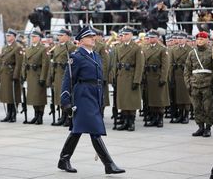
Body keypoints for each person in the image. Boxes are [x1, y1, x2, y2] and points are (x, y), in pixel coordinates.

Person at [58, 26, 125, 174]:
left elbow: (98, 79)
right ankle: (109, 164)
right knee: (94, 129)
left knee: (78, 129)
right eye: (90, 37)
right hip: (83, 96)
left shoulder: (95, 56)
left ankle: (64, 159)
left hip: (94, 95)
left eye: (94, 36)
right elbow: (68, 79)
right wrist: (65, 100)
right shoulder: (76, 57)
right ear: (81, 41)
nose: (93, 38)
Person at [184, 31, 213, 137]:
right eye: (198, 39)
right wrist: (188, 84)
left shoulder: (212, 52)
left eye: (202, 39)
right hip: (195, 84)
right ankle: (200, 127)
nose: (199, 41)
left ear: (207, 40)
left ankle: (208, 128)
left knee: (208, 107)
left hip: (208, 85)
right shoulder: (192, 53)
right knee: (197, 107)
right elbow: (187, 70)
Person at [113, 27, 145, 131]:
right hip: (121, 76)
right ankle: (125, 121)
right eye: (123, 34)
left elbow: (139, 66)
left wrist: (137, 80)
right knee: (122, 101)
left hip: (130, 76)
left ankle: (131, 122)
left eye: (127, 34)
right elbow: (115, 64)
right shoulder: (119, 47)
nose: (125, 36)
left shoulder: (136, 48)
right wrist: (114, 76)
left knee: (131, 101)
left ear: (131, 35)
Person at [143, 30, 170, 127]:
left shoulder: (162, 49)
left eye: (153, 37)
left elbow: (165, 65)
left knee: (159, 99)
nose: (151, 39)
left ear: (157, 38)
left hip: (158, 75)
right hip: (149, 76)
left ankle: (160, 118)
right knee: (150, 99)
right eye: (150, 37)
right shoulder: (146, 48)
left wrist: (163, 78)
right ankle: (154, 117)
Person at [23, 30, 49, 124]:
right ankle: (35, 115)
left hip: (38, 75)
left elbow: (45, 64)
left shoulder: (42, 49)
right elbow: (24, 62)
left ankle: (40, 116)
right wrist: (23, 74)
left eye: (34, 37)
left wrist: (42, 77)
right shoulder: (28, 49)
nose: (33, 38)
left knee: (39, 97)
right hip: (30, 75)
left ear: (39, 38)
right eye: (32, 37)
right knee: (33, 97)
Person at [51, 28, 76, 126]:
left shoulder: (71, 47)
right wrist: (51, 75)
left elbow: (73, 62)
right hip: (58, 74)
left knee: (66, 96)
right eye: (59, 35)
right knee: (59, 96)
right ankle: (62, 116)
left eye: (61, 35)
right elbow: (53, 62)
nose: (59, 37)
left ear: (67, 36)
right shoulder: (57, 47)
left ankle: (68, 117)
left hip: (65, 74)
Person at [0, 28, 23, 123]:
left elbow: (18, 63)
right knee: (7, 95)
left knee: (13, 95)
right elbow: (2, 61)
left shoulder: (17, 47)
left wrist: (16, 75)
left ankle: (13, 114)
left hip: (11, 73)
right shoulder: (4, 47)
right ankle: (8, 114)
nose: (7, 37)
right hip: (4, 73)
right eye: (7, 35)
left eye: (9, 35)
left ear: (14, 37)